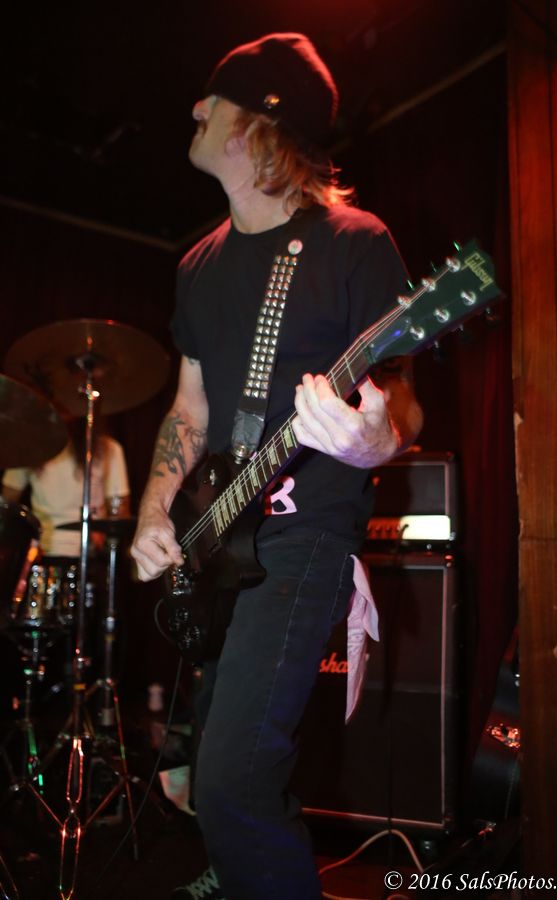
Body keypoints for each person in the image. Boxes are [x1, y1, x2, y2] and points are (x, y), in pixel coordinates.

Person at [131, 33, 423, 900]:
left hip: (303, 540)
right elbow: (190, 411)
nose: (194, 108)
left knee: (233, 782)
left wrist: (375, 439)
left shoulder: (354, 243)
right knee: (202, 777)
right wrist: (154, 512)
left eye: (213, 98)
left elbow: (405, 401)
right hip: (220, 547)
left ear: (261, 121)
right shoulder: (198, 265)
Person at [2, 416, 130, 627]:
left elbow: (119, 513)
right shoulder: (30, 447)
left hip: (89, 557)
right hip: (41, 557)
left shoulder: (108, 449)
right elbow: (7, 504)